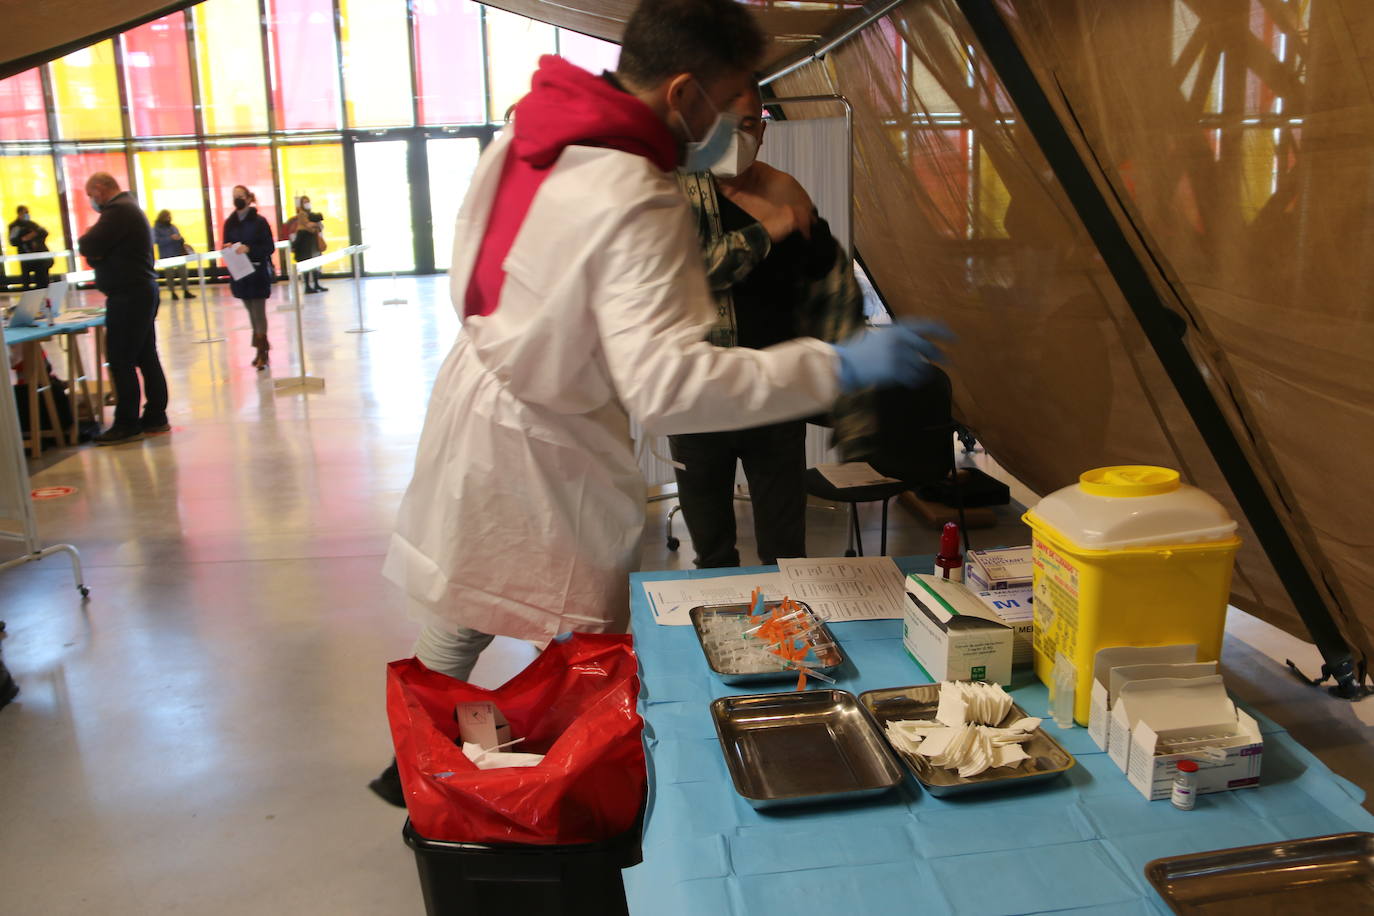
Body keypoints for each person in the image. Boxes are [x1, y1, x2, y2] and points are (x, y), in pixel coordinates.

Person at [369, 0, 945, 805]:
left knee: (477, 587)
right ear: (686, 93)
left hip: (491, 390)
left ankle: (426, 757)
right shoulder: (638, 192)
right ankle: (596, 777)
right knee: (589, 622)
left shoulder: (537, 130)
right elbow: (670, 385)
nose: (747, 124)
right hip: (544, 430)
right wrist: (835, 367)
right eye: (739, 97)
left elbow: (475, 267)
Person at [670, 83, 867, 567]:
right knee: (712, 550)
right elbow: (687, 272)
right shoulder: (671, 190)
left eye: (749, 125)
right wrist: (769, 229)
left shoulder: (782, 189)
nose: (738, 137)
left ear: (763, 129)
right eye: (724, 125)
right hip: (699, 397)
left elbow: (825, 282)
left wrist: (854, 390)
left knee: (786, 550)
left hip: (774, 396)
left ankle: (787, 637)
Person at [78, 173, 169, 445]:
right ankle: (155, 416)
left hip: (129, 295)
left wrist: (97, 253)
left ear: (101, 189)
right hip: (140, 291)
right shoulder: (129, 208)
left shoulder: (118, 211)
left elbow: (88, 244)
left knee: (121, 360)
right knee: (145, 355)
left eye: (91, 195)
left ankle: (127, 423)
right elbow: (97, 251)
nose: (92, 201)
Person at [221, 186, 276, 370]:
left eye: (240, 196)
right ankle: (260, 348)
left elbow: (269, 247)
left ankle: (263, 352)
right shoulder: (230, 222)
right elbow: (225, 242)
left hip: (257, 271)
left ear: (248, 198)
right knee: (251, 312)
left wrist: (249, 248)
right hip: (240, 272)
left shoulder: (260, 222)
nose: (237, 199)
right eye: (234, 196)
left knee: (258, 312)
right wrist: (228, 246)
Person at [281, 196, 326, 293]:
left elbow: (318, 225)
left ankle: (316, 284)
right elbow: (309, 225)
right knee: (306, 262)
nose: (307, 203)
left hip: (312, 241)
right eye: (305, 202)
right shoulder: (302, 214)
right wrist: (314, 225)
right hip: (304, 241)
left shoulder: (310, 213)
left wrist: (315, 225)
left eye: (308, 202)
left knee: (315, 263)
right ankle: (308, 286)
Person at [8, 206, 53, 290]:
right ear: (19, 213)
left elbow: (44, 232)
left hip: (38, 256)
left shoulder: (32, 224)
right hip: (25, 256)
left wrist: (35, 235)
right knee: (26, 279)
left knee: (42, 278)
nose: (27, 215)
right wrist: (24, 239)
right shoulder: (15, 226)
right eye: (25, 213)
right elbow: (13, 241)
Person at [152, 210, 195, 300]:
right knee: (169, 275)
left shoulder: (173, 227)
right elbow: (156, 241)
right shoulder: (156, 229)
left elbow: (180, 237)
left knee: (183, 273)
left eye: (169, 216)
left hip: (178, 253)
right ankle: (172, 292)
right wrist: (170, 238)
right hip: (167, 255)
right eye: (167, 216)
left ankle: (185, 290)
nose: (169, 218)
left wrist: (180, 238)